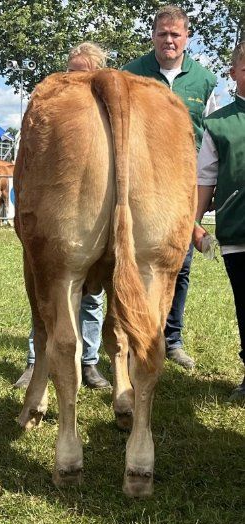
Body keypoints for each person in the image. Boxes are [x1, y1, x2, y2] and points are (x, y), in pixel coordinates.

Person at [122, 5, 217, 369]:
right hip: (138, 187)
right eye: (163, 33)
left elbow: (209, 138)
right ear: (153, 36)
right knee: (129, 260)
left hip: (181, 189)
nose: (169, 40)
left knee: (180, 264)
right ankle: (130, 337)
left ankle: (170, 337)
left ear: (187, 37)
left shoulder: (204, 81)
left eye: (176, 34)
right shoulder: (130, 74)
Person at [14, 42, 110, 390]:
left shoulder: (107, 111)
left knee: (94, 295)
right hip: (56, 213)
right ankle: (35, 362)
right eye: (71, 71)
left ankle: (89, 363)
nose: (74, 78)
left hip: (94, 214)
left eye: (82, 72)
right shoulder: (50, 109)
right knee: (44, 288)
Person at [193, 41, 245, 400]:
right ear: (233, 73)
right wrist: (191, 224)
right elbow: (205, 179)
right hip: (238, 233)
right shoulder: (218, 123)